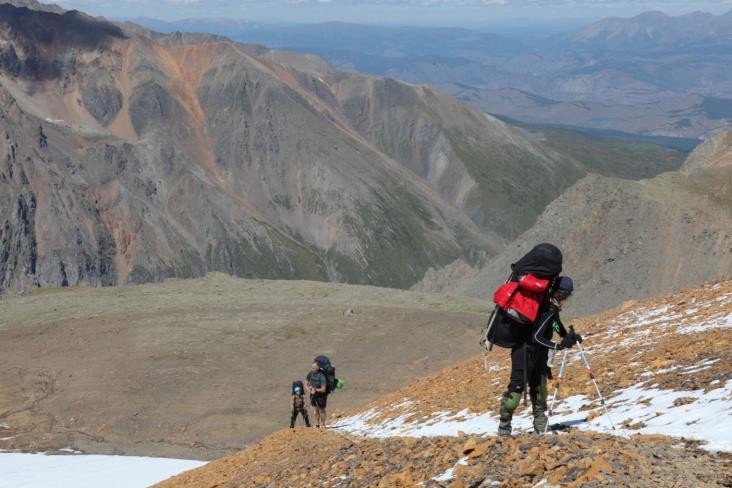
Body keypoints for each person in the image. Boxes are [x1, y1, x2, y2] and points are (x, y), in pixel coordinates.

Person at [498, 276, 582, 436]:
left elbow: (555, 324)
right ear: (557, 292)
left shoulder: (551, 307)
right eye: (563, 295)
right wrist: (558, 346)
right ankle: (504, 428)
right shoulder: (548, 308)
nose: (563, 299)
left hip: (537, 352)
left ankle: (540, 424)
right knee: (516, 391)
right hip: (524, 351)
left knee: (539, 388)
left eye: (565, 296)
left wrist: (568, 336)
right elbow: (537, 336)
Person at [306, 363, 328, 429]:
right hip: (313, 394)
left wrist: (315, 390)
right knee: (315, 410)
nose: (312, 369)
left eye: (313, 368)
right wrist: (309, 390)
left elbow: (323, 389)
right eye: (312, 368)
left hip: (321, 396)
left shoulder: (322, 376)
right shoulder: (310, 373)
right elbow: (306, 383)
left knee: (321, 410)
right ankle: (317, 424)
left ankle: (323, 424)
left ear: (317, 369)